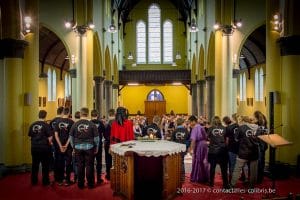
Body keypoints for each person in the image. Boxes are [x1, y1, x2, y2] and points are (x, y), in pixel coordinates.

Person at [69, 107, 99, 189]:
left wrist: (73, 147)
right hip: (89, 147)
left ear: (81, 114)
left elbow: (71, 137)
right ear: (88, 114)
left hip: (78, 147)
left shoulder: (75, 124)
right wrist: (96, 147)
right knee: (89, 166)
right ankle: (90, 184)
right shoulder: (92, 124)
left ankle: (80, 184)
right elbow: (96, 139)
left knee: (80, 166)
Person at [230, 116, 260, 189]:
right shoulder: (258, 128)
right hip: (254, 152)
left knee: (237, 169)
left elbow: (236, 139)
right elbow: (260, 139)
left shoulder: (242, 128)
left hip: (244, 151)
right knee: (253, 171)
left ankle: (232, 185)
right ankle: (251, 187)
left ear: (243, 121)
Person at [28, 110, 52, 186]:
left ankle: (34, 181)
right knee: (45, 165)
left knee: (35, 165)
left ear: (38, 115)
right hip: (44, 148)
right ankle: (45, 182)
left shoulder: (32, 125)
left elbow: (30, 136)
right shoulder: (46, 125)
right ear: (45, 116)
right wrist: (49, 143)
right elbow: (50, 137)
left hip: (34, 147)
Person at [53, 107, 74, 186]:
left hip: (60, 146)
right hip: (68, 147)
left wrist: (60, 145)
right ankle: (68, 180)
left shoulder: (58, 122)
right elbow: (71, 135)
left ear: (63, 113)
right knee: (68, 163)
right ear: (68, 113)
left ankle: (60, 180)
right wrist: (66, 145)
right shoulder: (71, 122)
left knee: (60, 162)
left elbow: (56, 135)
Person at [207, 116, 229, 188]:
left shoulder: (210, 128)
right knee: (224, 168)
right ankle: (225, 184)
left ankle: (211, 183)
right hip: (222, 150)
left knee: (212, 168)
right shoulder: (224, 128)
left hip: (213, 151)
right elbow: (226, 139)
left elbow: (208, 138)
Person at [188, 115, 209, 184]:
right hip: (204, 145)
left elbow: (193, 140)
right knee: (204, 161)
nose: (189, 124)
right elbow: (206, 136)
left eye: (190, 122)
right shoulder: (201, 126)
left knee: (197, 161)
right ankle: (204, 177)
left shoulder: (195, 128)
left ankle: (198, 177)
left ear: (194, 121)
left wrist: (191, 149)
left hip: (199, 145)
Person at [171, 117, 190, 183]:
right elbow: (188, 140)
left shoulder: (174, 131)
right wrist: (186, 147)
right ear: (182, 123)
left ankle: (176, 177)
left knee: (176, 163)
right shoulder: (186, 130)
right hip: (183, 148)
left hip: (176, 149)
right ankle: (182, 178)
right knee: (182, 162)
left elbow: (172, 141)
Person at [90, 109, 105, 184]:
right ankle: (99, 179)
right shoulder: (101, 123)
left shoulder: (89, 123)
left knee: (91, 162)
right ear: (97, 115)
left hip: (90, 145)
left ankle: (91, 180)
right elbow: (104, 134)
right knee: (99, 162)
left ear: (91, 115)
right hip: (98, 144)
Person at [223, 114, 239, 182]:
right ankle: (243, 176)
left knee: (231, 164)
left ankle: (231, 180)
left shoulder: (229, 127)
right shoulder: (240, 127)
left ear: (233, 119)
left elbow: (227, 140)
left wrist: (226, 147)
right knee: (240, 164)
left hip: (231, 148)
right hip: (240, 148)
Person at [253, 110, 268, 183]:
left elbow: (256, 136)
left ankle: (259, 179)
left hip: (259, 145)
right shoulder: (264, 123)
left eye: (254, 117)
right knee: (262, 161)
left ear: (257, 117)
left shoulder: (258, 126)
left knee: (259, 162)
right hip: (264, 144)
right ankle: (260, 177)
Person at [103, 108, 115, 180]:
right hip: (116, 143)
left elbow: (105, 135)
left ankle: (109, 175)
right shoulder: (117, 123)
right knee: (117, 159)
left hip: (108, 143)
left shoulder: (107, 124)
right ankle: (117, 174)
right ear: (114, 114)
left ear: (108, 114)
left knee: (108, 159)